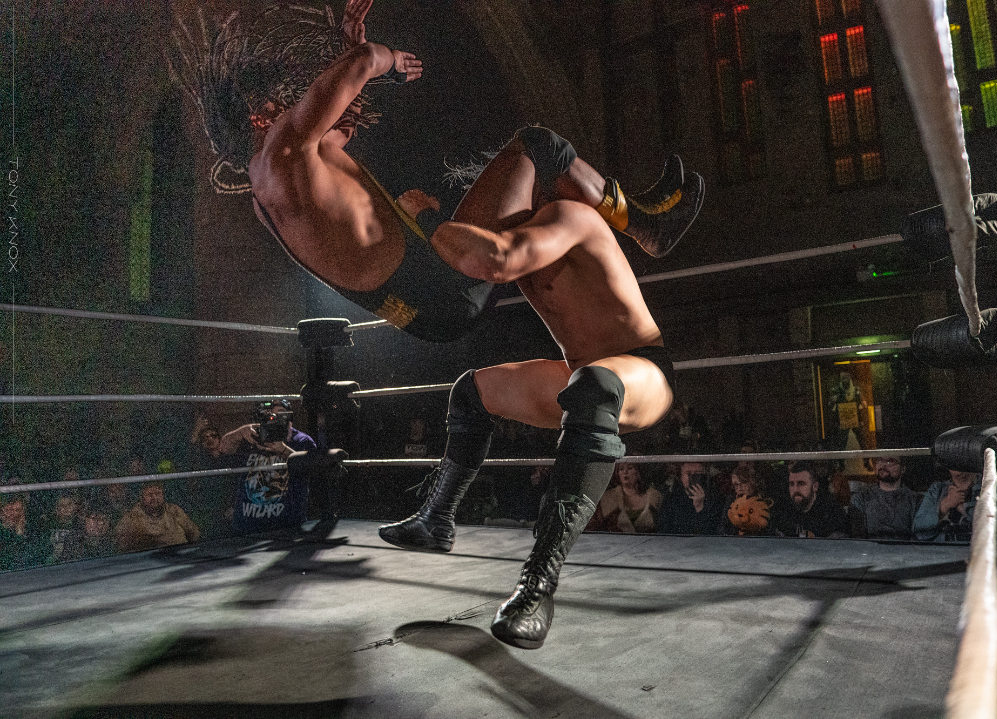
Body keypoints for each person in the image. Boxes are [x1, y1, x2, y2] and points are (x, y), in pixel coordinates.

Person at [177, 1, 701, 650]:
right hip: (467, 303)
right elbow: (360, 90)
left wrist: (349, 55)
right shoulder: (291, 147)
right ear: (263, 113)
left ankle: (498, 557)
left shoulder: (269, 192)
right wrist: (379, 61)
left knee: (516, 382)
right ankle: (644, 221)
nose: (319, 112)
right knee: (538, 154)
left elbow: (338, 135)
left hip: (635, 370)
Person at [219, 399, 317, 534]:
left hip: (286, 525)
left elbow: (311, 467)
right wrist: (240, 432)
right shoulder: (253, 435)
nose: (274, 420)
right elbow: (223, 447)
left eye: (280, 415)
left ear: (289, 419)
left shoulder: (301, 440)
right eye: (270, 415)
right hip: (247, 525)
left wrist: (282, 449)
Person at [913, 468, 997, 542]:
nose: (960, 473)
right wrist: (944, 506)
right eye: (955, 466)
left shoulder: (996, 486)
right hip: (944, 554)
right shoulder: (937, 490)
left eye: (964, 466)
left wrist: (965, 509)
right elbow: (919, 530)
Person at [848, 455, 921, 540]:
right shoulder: (861, 498)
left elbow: (919, 537)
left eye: (890, 461)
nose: (883, 465)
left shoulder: (915, 500)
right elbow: (857, 538)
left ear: (903, 469)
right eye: (879, 460)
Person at [115, 482, 200, 553]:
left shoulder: (174, 511)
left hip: (180, 556)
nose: (154, 498)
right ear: (142, 497)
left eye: (158, 494)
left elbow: (193, 533)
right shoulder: (132, 517)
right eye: (150, 495)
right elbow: (121, 545)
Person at [777, 461, 849, 539]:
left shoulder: (832, 512)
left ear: (815, 486)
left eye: (801, 483)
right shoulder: (784, 511)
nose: (795, 489)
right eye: (791, 484)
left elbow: (838, 547)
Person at [586, 462, 662, 534]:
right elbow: (594, 528)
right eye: (621, 469)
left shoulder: (654, 496)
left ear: (638, 472)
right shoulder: (607, 497)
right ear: (617, 473)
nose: (625, 472)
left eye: (630, 468)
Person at [654, 462, 721, 536]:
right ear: (681, 476)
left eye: (697, 473)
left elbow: (714, 532)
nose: (692, 477)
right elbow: (663, 530)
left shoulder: (713, 497)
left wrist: (700, 507)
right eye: (688, 473)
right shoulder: (672, 499)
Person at [719, 465, 776, 536]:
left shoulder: (766, 502)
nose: (739, 488)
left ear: (753, 482)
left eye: (743, 482)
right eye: (736, 485)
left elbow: (771, 530)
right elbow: (724, 529)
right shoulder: (731, 502)